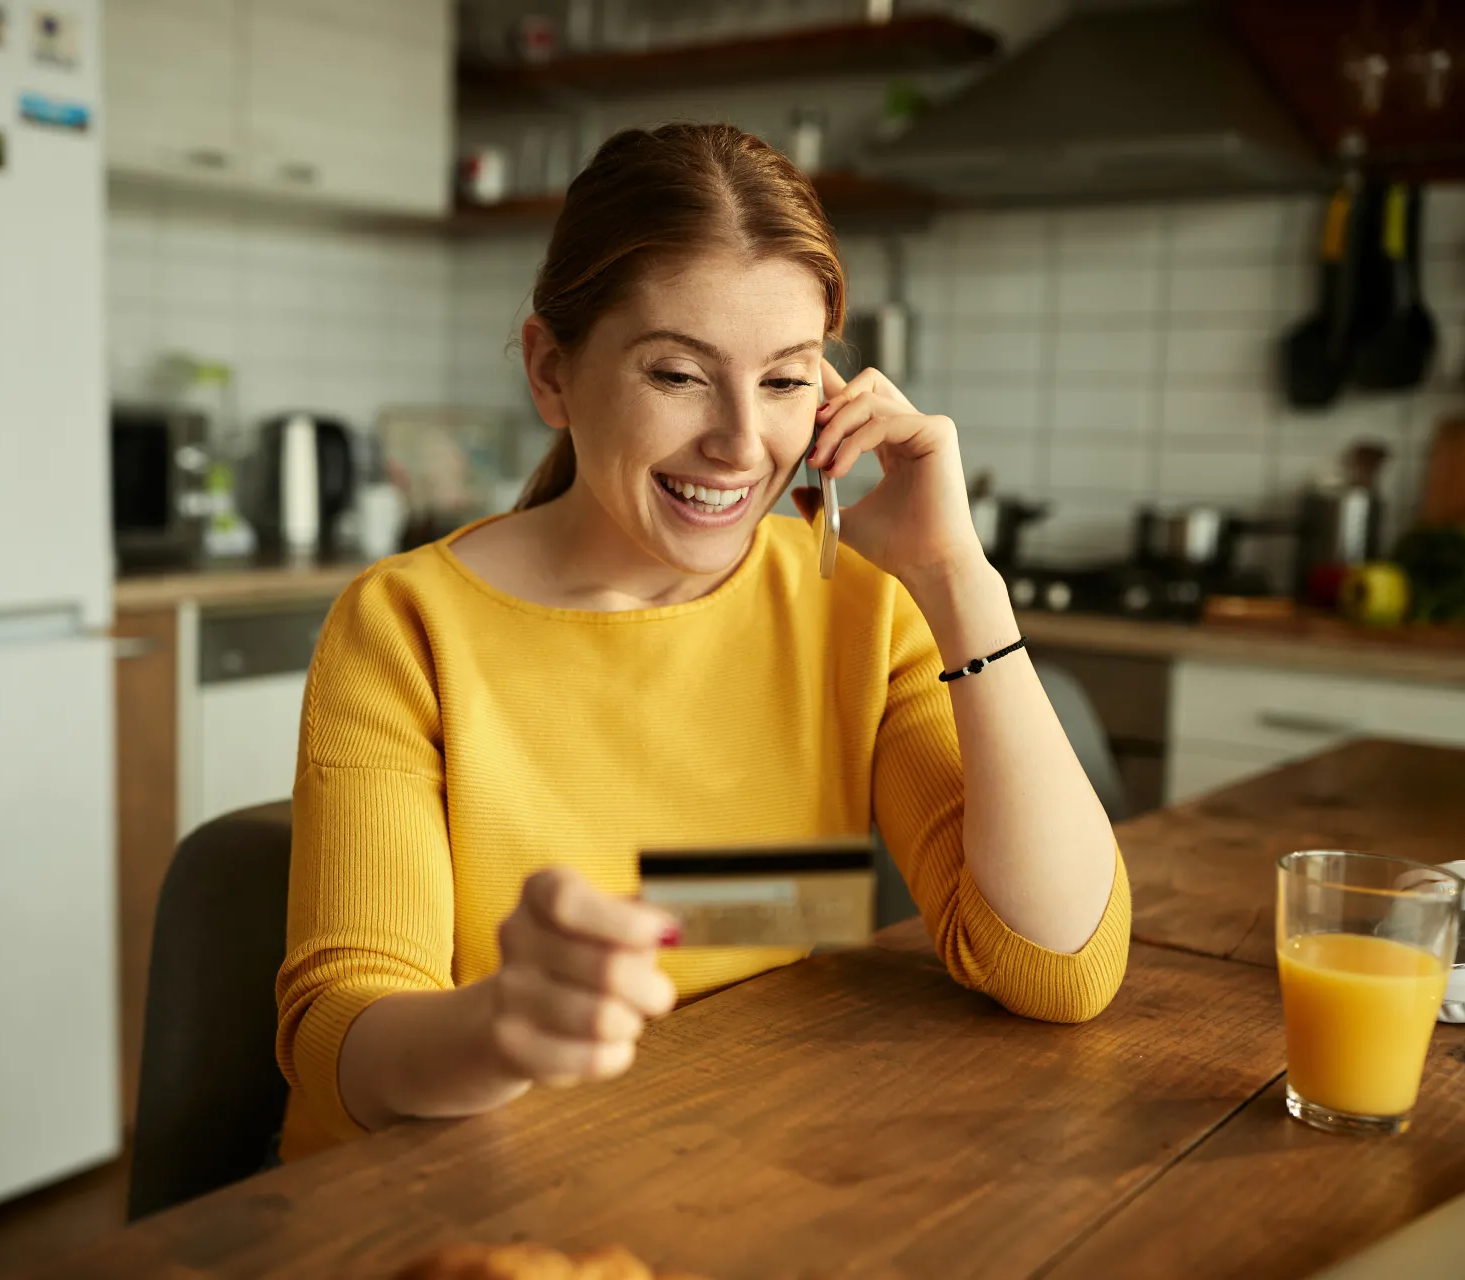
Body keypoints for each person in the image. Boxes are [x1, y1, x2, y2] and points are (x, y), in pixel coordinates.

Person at [275, 122, 1128, 1161]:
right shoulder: (406, 626)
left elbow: (1058, 969)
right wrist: (500, 1024)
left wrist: (959, 578)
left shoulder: (851, 600)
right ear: (552, 371)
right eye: (678, 374)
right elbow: (339, 1037)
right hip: (437, 1198)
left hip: (735, 1162)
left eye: (784, 380)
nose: (738, 442)